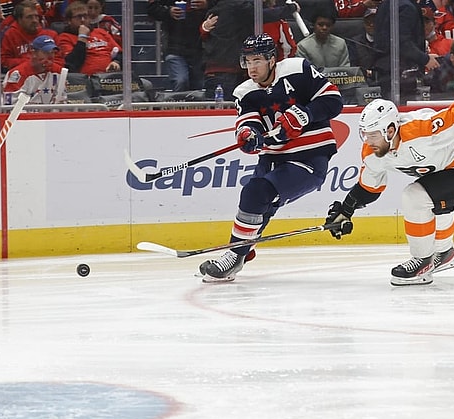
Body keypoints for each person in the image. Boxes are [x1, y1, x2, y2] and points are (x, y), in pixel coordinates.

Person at [324, 98, 454, 286]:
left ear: (390, 130)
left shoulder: (422, 130)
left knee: (415, 197)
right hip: (445, 168)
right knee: (434, 201)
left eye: (372, 135)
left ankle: (422, 262)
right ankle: (445, 253)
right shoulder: (372, 153)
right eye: (364, 135)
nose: (368, 141)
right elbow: (370, 187)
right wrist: (346, 210)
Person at [198, 34, 343, 282]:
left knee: (255, 192)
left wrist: (305, 114)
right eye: (247, 62)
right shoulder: (244, 92)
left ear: (272, 59)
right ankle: (243, 251)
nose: (252, 68)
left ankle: (234, 254)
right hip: (273, 158)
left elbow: (333, 101)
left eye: (257, 61)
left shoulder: (297, 69)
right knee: (259, 205)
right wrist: (249, 136)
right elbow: (248, 124)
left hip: (309, 158)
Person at [199, 0, 300, 101]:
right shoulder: (240, 7)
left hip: (218, 69)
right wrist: (290, 8)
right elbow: (260, 15)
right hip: (229, 71)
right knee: (231, 107)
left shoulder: (220, 8)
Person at [373, 0, 439, 102]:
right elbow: (401, 43)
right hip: (401, 72)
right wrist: (425, 59)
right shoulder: (406, 8)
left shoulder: (386, 4)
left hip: (385, 69)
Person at [147, 0, 207, 92]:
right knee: (181, 81)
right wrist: (168, 11)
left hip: (200, 46)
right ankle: (177, 101)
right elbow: (153, 9)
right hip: (174, 45)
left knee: (199, 86)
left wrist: (207, 4)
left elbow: (221, 6)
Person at [57, 0, 122, 75]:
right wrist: (82, 37)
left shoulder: (100, 32)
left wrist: (116, 62)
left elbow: (119, 52)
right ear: (69, 20)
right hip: (85, 78)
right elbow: (72, 64)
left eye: (85, 16)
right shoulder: (64, 38)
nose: (83, 20)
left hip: (109, 76)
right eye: (79, 17)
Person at [3, 35, 68, 103]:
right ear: (34, 53)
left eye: (52, 52)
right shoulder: (18, 73)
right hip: (24, 110)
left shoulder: (59, 71)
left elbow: (62, 101)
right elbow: (10, 104)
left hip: (52, 110)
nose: (50, 56)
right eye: (45, 52)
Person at [1, 0, 60, 70]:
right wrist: (31, 63)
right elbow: (4, 61)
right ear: (19, 19)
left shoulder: (51, 36)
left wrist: (43, 64)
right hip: (21, 72)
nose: (34, 20)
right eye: (29, 17)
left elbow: (59, 60)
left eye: (36, 16)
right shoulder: (10, 35)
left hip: (49, 73)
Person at [346, 7, 378, 80]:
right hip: (361, 80)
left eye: (375, 21)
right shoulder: (354, 42)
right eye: (368, 22)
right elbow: (353, 67)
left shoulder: (388, 41)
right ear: (364, 23)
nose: (371, 25)